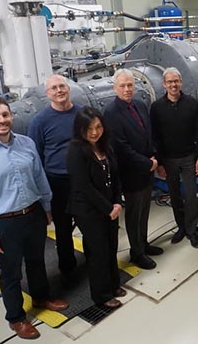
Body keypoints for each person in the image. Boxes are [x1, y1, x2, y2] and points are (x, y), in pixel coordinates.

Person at [0, 97, 68, 340]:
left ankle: (41, 297)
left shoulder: (27, 144)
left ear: (11, 116)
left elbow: (39, 177)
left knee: (36, 262)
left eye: (5, 115)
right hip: (4, 222)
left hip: (33, 214)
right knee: (11, 273)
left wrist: (46, 206)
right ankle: (17, 318)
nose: (1, 120)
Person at [104, 69, 163, 270]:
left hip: (147, 169)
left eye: (130, 85)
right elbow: (121, 147)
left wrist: (153, 156)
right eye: (123, 86)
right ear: (115, 88)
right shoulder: (111, 113)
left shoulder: (139, 105)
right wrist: (148, 163)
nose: (127, 89)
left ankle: (144, 244)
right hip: (131, 173)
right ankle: (136, 252)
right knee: (134, 214)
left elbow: (149, 133)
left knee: (144, 210)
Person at [66, 107, 125, 309]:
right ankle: (101, 295)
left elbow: (116, 176)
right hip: (89, 211)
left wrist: (117, 201)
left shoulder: (105, 146)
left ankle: (114, 284)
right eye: (89, 128)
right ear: (80, 129)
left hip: (110, 207)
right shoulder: (76, 150)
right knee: (98, 252)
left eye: (98, 127)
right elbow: (83, 186)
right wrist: (108, 208)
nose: (94, 132)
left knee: (111, 246)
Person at [27, 74, 78, 284]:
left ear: (68, 88)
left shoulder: (82, 113)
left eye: (62, 86)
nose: (59, 91)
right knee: (63, 228)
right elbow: (35, 156)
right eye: (54, 88)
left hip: (82, 179)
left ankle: (97, 262)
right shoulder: (39, 121)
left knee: (91, 225)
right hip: (57, 182)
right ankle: (68, 268)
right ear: (47, 94)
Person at [150, 67, 198, 249]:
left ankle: (191, 229)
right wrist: (159, 161)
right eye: (170, 82)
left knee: (190, 195)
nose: (173, 85)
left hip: (189, 157)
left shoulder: (191, 103)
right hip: (169, 160)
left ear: (181, 82)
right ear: (164, 84)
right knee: (174, 196)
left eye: (176, 81)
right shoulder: (157, 108)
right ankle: (181, 227)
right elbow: (155, 137)